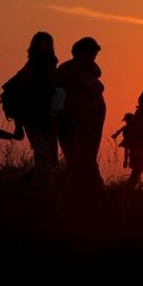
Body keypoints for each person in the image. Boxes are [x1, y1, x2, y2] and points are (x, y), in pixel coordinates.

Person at [0, 32, 59, 184]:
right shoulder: (32, 66)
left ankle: (27, 185)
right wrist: (19, 122)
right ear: (36, 46)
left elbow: (53, 88)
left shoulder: (51, 64)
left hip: (48, 116)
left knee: (52, 159)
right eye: (43, 44)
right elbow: (16, 87)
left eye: (48, 44)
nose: (46, 47)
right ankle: (38, 190)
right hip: (33, 116)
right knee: (43, 155)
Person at [54, 37, 107, 193]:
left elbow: (96, 86)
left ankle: (87, 192)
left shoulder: (89, 72)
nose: (93, 57)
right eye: (91, 53)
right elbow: (91, 87)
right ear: (81, 54)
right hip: (72, 122)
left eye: (94, 54)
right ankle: (83, 192)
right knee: (77, 159)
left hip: (89, 123)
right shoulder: (69, 71)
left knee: (86, 159)